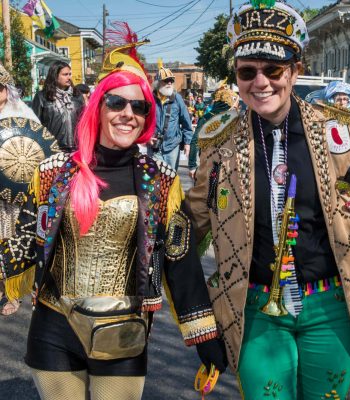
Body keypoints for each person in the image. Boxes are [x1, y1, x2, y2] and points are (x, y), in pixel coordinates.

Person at [185, 2, 350, 399]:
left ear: (295, 70)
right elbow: (189, 224)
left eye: (273, 69)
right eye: (248, 72)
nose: (261, 82)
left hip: (332, 307)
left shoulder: (336, 130)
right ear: (237, 77)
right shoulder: (218, 142)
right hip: (254, 311)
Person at [0, 33, 226, 400]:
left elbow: (179, 260)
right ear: (98, 107)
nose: (128, 114)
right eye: (117, 102)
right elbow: (21, 236)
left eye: (140, 108)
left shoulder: (162, 181)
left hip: (123, 331)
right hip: (52, 326)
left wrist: (203, 334)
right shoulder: (53, 171)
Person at [0, 62, 41, 316]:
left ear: (6, 89)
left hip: (14, 191)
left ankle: (12, 294)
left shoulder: (22, 113)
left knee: (12, 242)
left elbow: (37, 149)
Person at [188, 83, 239, 180]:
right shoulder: (207, 118)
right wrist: (192, 166)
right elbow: (195, 142)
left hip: (229, 167)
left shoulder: (234, 119)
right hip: (209, 166)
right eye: (234, 106)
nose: (236, 108)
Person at [32, 61, 85, 152]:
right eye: (65, 74)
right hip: (52, 149)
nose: (69, 77)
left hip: (77, 148)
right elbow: (35, 125)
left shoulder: (77, 95)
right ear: (55, 76)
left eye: (69, 74)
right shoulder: (42, 97)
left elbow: (84, 121)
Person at [151, 63, 193, 170]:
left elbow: (186, 123)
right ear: (157, 83)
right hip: (154, 147)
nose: (169, 83)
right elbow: (142, 122)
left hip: (172, 147)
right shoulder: (149, 99)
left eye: (171, 80)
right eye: (166, 80)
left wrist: (188, 143)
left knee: (170, 179)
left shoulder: (177, 98)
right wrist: (146, 137)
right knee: (156, 180)